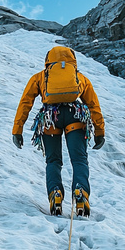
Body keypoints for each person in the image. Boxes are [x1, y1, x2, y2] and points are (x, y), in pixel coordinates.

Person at [12, 46, 105, 217]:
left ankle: (55, 193)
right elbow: (94, 106)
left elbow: (26, 102)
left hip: (50, 118)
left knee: (53, 161)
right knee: (79, 160)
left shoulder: (40, 77)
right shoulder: (79, 77)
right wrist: (99, 132)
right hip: (74, 116)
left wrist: (17, 129)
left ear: (48, 60)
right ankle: (81, 192)